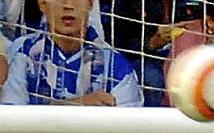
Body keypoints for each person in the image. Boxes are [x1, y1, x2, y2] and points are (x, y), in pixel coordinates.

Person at [2, 0, 144, 107]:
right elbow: (11, 116)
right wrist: (79, 105)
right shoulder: (21, 52)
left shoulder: (116, 66)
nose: (68, 5)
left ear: (90, 4)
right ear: (42, 4)